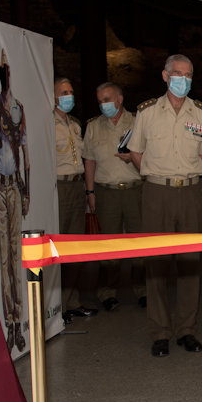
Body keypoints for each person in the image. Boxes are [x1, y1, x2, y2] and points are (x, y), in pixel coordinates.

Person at [127, 54, 202, 358]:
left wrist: (182, 173)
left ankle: (187, 330)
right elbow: (137, 152)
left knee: (191, 265)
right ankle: (160, 332)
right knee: (156, 264)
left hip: (190, 194)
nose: (184, 79)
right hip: (157, 194)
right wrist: (159, 173)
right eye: (178, 73)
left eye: (189, 74)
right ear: (165, 76)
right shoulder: (147, 112)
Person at [82, 82, 146, 312]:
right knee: (108, 246)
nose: (103, 105)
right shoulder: (93, 127)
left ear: (119, 99)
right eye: (100, 101)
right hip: (106, 192)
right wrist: (90, 192)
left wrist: (134, 158)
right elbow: (89, 161)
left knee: (141, 244)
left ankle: (143, 290)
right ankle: (107, 292)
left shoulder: (138, 121)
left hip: (135, 191)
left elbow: (152, 154)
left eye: (107, 99)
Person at [0, 49, 30, 351]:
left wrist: (27, 191)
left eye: (7, 70)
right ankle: (10, 322)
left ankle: (18, 320)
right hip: (0, 190)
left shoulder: (18, 108)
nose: (5, 76)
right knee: (4, 260)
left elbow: (25, 152)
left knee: (16, 255)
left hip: (14, 188)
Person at [54, 77, 98, 324]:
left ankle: (71, 301)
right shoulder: (47, 123)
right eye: (63, 92)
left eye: (71, 91)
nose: (68, 96)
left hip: (75, 186)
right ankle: (55, 305)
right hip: (58, 186)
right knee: (58, 246)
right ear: (53, 96)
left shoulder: (75, 125)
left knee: (74, 247)